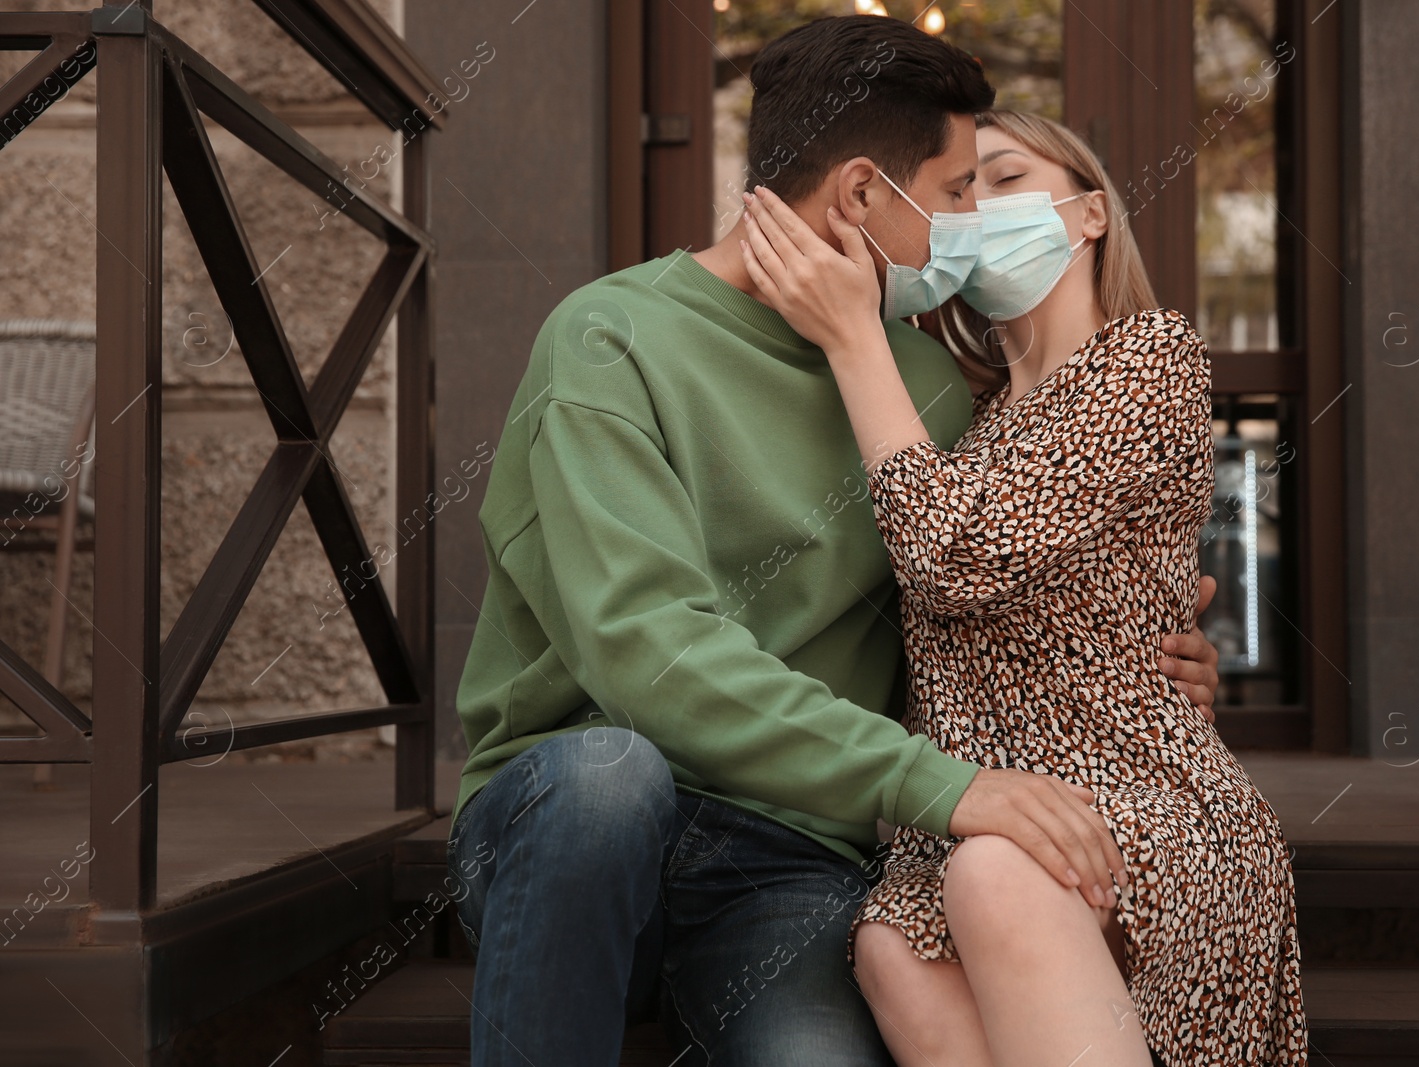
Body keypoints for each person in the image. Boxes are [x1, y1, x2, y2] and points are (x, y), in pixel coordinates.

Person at [444, 17, 1221, 1067]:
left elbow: (985, 606)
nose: (968, 228)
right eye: (954, 194)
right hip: (574, 841)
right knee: (608, 775)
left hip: (787, 856)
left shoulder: (933, 389)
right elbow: (647, 654)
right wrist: (945, 787)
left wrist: (1143, 657)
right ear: (860, 194)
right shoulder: (607, 340)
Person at [737, 109, 1309, 1066]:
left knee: (1000, 875)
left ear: (1088, 215)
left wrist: (851, 339)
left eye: (1001, 179)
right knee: (891, 943)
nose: (974, 211)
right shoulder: (967, 423)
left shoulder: (1149, 358)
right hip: (974, 819)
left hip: (1139, 795)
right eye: (957, 191)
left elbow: (956, 558)